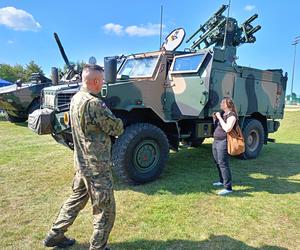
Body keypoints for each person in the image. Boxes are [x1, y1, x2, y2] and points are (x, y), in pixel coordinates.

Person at [43, 64, 124, 249]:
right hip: (97, 167)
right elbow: (116, 127)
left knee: (75, 200)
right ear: (96, 81)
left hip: (81, 163)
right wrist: (119, 120)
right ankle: (98, 246)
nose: (103, 83)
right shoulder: (95, 104)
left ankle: (55, 235)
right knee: (105, 209)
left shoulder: (76, 98)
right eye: (102, 80)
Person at [212, 97, 237, 196]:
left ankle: (228, 187)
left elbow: (227, 128)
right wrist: (215, 117)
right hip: (216, 141)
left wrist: (219, 118)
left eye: (223, 103)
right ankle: (222, 181)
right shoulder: (223, 114)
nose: (221, 104)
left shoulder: (232, 116)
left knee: (223, 163)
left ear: (227, 104)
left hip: (224, 141)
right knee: (217, 161)